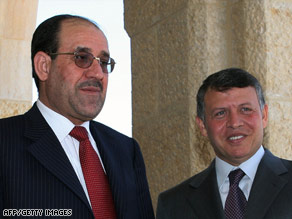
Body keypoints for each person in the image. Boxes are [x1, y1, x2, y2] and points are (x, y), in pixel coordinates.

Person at [0, 14, 154, 219]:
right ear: (43, 66)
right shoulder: (4, 143)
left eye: (104, 62)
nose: (98, 73)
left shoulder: (126, 150)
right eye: (82, 58)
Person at [156, 68, 292, 219]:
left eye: (245, 109)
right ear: (202, 126)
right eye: (220, 113)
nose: (234, 123)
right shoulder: (173, 205)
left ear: (264, 116)